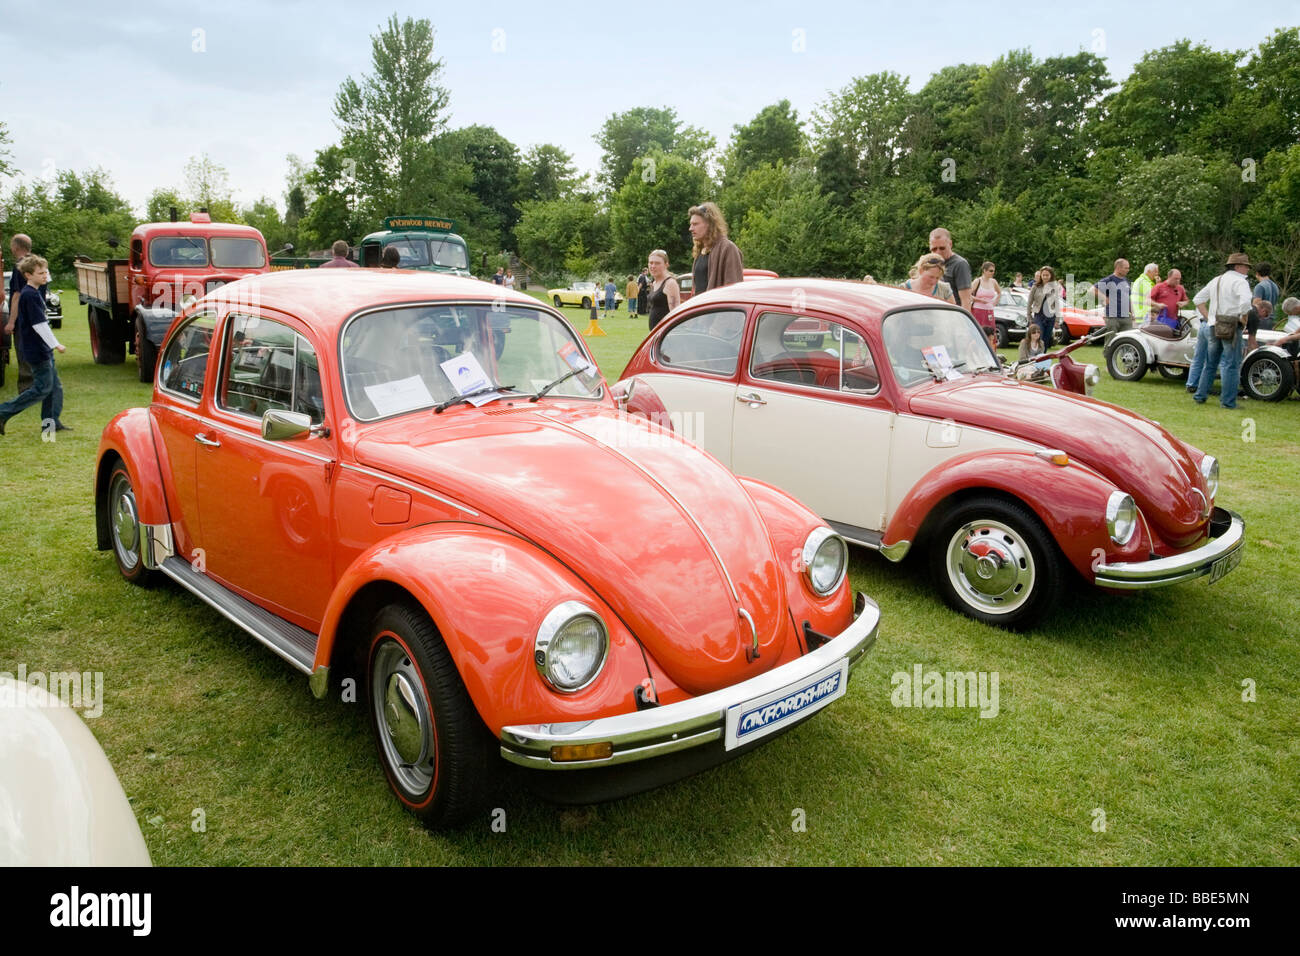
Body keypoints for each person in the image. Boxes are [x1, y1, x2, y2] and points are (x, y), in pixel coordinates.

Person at [0, 257, 68, 436]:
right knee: (42, 388)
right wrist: (56, 344)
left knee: (54, 387)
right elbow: (40, 325)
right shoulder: (29, 295)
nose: (45, 276)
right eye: (41, 273)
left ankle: (50, 424)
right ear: (28, 275)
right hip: (36, 350)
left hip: (42, 349)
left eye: (46, 272)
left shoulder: (34, 292)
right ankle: (2, 412)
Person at [1192, 252, 1254, 408]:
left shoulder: (1216, 280)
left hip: (1213, 325)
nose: (1248, 270)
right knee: (1231, 365)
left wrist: (1208, 317)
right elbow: (1246, 303)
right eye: (1246, 266)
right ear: (1238, 266)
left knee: (1210, 363)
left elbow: (1198, 299)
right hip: (1231, 326)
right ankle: (1228, 402)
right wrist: (1243, 318)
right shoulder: (1240, 282)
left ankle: (1200, 396)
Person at [688, 202, 743, 294]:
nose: (691, 228)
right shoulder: (700, 250)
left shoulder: (727, 248)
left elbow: (733, 291)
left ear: (709, 224)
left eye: (695, 224)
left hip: (717, 307)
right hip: (701, 307)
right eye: (691, 224)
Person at [928, 228, 972, 310]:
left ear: (950, 244)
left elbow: (966, 300)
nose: (938, 252)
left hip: (952, 314)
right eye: (934, 249)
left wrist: (962, 321)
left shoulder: (960, 264)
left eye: (942, 248)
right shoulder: (929, 263)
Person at [1094, 259, 1133, 335]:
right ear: (1118, 268)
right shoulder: (1109, 280)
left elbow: (1128, 297)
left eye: (1128, 268)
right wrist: (1105, 298)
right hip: (1113, 318)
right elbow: (1093, 290)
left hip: (1126, 317)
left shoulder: (1126, 281)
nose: (1128, 270)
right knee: (1111, 341)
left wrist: (1132, 312)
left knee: (1126, 341)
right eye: (1126, 268)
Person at [646, 249, 680, 331]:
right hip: (655, 332)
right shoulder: (654, 283)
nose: (653, 266)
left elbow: (675, 314)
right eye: (651, 263)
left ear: (666, 264)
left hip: (666, 333)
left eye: (657, 263)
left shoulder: (670, 283)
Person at [1027, 266, 1062, 343]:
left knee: (1046, 339)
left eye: (1047, 275)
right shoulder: (1035, 286)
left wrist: (1057, 320)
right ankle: (1038, 354)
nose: (1045, 277)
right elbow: (1029, 302)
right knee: (1039, 337)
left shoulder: (1054, 287)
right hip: (1039, 315)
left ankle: (1043, 354)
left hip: (1050, 317)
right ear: (1041, 276)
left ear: (1051, 276)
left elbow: (1057, 304)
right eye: (1043, 275)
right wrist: (1029, 317)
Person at [969, 261, 1000, 332]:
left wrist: (994, 303)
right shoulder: (977, 281)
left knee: (990, 332)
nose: (993, 273)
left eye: (994, 271)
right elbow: (967, 295)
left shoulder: (993, 281)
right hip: (978, 310)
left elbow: (999, 293)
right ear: (984, 270)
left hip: (989, 311)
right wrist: (979, 300)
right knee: (979, 331)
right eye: (991, 271)